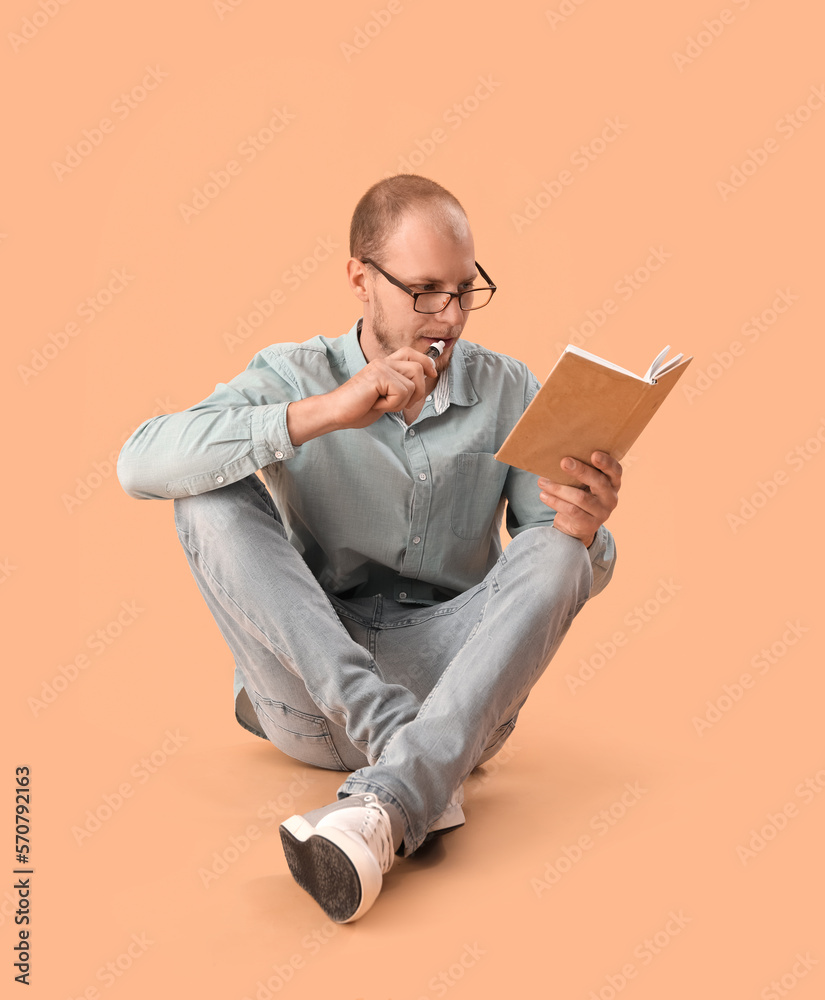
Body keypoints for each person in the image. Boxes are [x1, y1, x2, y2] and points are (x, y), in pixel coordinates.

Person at [117, 174, 620, 924]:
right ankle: (406, 765)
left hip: (452, 697)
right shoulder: (295, 374)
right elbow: (139, 463)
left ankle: (387, 799)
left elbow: (552, 566)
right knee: (203, 488)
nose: (447, 317)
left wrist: (585, 531)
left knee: (560, 550)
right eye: (422, 290)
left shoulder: (509, 388)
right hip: (313, 690)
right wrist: (324, 414)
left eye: (462, 290)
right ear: (359, 278)